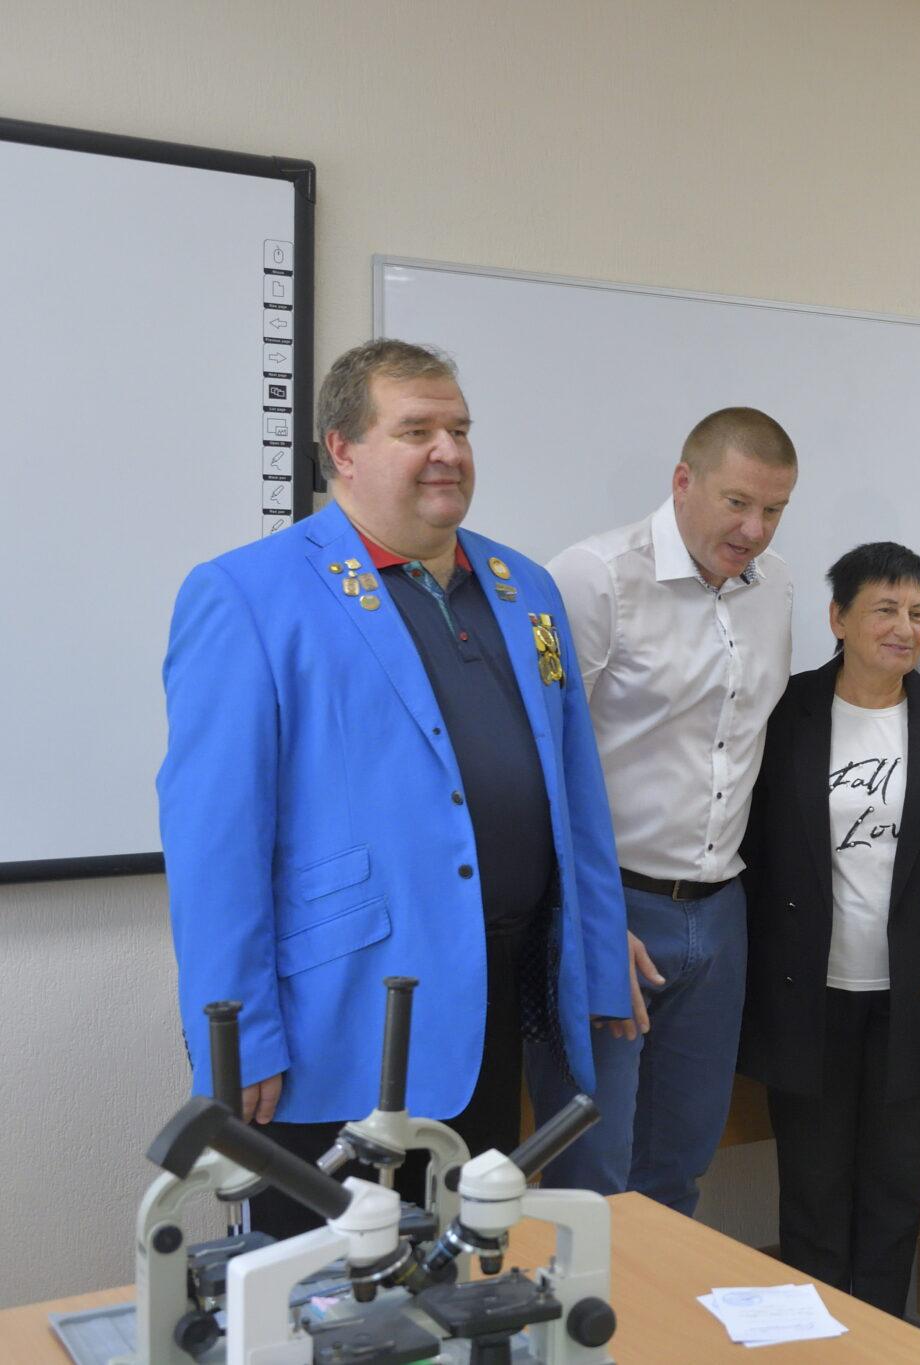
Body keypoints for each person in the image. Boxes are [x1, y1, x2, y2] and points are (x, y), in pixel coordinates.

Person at [158, 339, 629, 1234]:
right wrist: (238, 1032)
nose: (449, 450)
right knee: (322, 1283)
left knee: (462, 1261)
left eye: (460, 429)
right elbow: (214, 840)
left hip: (497, 1000)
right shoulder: (247, 594)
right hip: (340, 1018)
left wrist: (598, 961)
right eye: (417, 430)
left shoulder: (523, 586)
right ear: (341, 448)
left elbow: (575, 791)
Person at [526, 408, 798, 1214]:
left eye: (775, 509)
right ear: (683, 482)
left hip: (718, 914)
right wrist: (590, 918)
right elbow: (539, 760)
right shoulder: (594, 578)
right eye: (737, 502)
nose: (754, 530)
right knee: (592, 1175)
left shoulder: (777, 586)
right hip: (612, 907)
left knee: (680, 1164)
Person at [737, 542, 920, 1314]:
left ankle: (883, 1336)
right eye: (885, 608)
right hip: (807, 995)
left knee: (894, 1198)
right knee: (812, 1197)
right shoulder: (785, 713)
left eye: (918, 612)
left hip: (913, 999)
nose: (905, 627)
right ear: (838, 618)